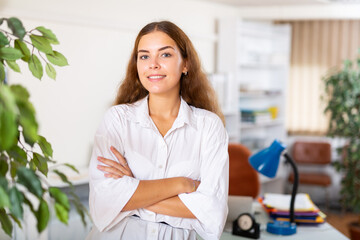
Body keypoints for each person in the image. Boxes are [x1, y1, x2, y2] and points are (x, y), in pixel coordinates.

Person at [87, 20, 229, 240]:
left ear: (185, 64)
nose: (152, 64)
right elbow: (104, 201)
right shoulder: (117, 119)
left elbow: (212, 210)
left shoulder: (208, 126)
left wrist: (133, 190)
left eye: (165, 55)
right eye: (144, 56)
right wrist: (182, 184)